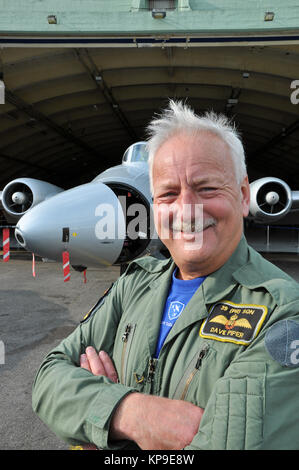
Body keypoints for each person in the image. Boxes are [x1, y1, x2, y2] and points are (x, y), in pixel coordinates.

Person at [32, 100, 299, 450]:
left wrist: (102, 427)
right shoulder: (134, 283)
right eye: (169, 194)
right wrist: (129, 413)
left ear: (244, 194)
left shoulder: (285, 312)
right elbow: (49, 376)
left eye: (207, 188)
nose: (187, 208)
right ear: (156, 206)